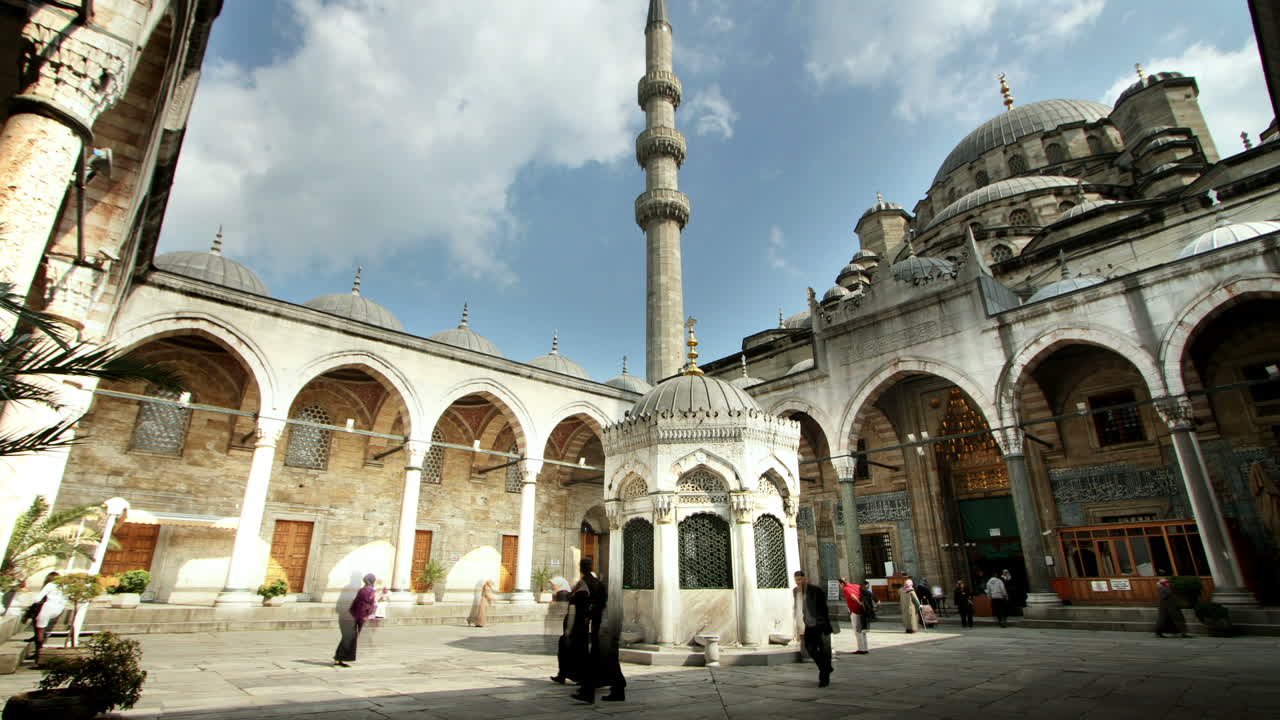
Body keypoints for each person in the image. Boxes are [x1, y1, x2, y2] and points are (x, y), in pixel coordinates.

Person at [569, 557, 624, 703]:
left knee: (601, 656)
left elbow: (593, 603)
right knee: (604, 657)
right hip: (607, 622)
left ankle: (590, 691)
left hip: (602, 625)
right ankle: (611, 688)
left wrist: (589, 616)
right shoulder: (596, 581)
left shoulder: (588, 582)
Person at [794, 570, 833, 687]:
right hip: (808, 625)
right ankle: (826, 667)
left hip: (818, 624)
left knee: (823, 650)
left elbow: (823, 608)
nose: (798, 582)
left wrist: (822, 622)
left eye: (800, 579)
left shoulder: (816, 590)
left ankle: (824, 678)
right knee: (809, 648)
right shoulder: (796, 591)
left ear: (805, 579)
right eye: (796, 580)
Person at [334, 573, 377, 667]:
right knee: (349, 638)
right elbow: (368, 605)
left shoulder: (363, 589)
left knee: (349, 637)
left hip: (353, 615)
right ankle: (339, 658)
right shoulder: (369, 590)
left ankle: (339, 658)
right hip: (358, 616)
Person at [29, 572, 66, 664]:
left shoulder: (49, 585)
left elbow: (37, 599)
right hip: (59, 609)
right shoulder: (63, 586)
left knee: (39, 630)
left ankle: (38, 654)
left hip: (48, 608)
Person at [839, 577, 869, 655]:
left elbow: (852, 596)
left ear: (842, 583)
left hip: (855, 610)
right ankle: (865, 648)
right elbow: (864, 591)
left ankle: (861, 649)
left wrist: (859, 603)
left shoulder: (846, 589)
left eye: (840, 585)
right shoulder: (856, 585)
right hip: (862, 611)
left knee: (857, 630)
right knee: (863, 630)